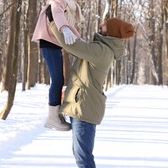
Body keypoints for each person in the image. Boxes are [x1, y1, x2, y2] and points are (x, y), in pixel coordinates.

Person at [49, 17, 134, 168]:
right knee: (80, 154)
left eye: (105, 25)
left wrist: (54, 22)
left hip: (85, 108)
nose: (101, 25)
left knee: (83, 158)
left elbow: (73, 45)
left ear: (111, 31)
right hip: (83, 106)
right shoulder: (100, 48)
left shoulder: (101, 51)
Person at [32, 0, 84, 131]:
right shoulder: (57, 1)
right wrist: (64, 29)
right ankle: (53, 117)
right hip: (49, 42)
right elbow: (57, 14)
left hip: (53, 43)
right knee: (57, 79)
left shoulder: (62, 1)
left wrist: (81, 42)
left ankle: (55, 115)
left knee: (59, 79)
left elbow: (66, 22)